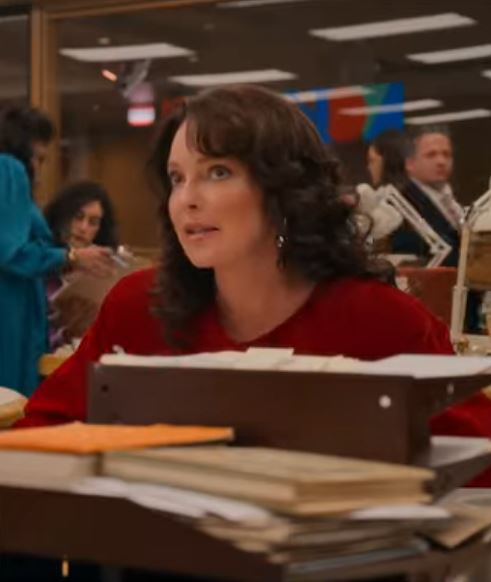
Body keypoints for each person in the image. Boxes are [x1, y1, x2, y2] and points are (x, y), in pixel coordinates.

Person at [15, 85, 491, 483]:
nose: (187, 200)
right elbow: (39, 434)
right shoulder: (140, 305)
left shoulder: (381, 318)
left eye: (218, 172)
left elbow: (479, 466)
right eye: (177, 178)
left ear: (285, 190)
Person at [0, 106, 113, 396]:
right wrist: (70, 256)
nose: (39, 170)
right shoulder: (9, 170)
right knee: (13, 403)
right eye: (38, 158)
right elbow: (10, 252)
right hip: (10, 316)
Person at [43, 181, 120, 347]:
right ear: (62, 217)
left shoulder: (101, 273)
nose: (83, 228)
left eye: (93, 222)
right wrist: (64, 335)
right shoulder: (40, 260)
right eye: (78, 217)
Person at [392, 126, 463, 267]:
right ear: (410, 163)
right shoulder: (400, 204)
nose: (441, 161)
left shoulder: (451, 200)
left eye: (446, 154)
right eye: (431, 155)